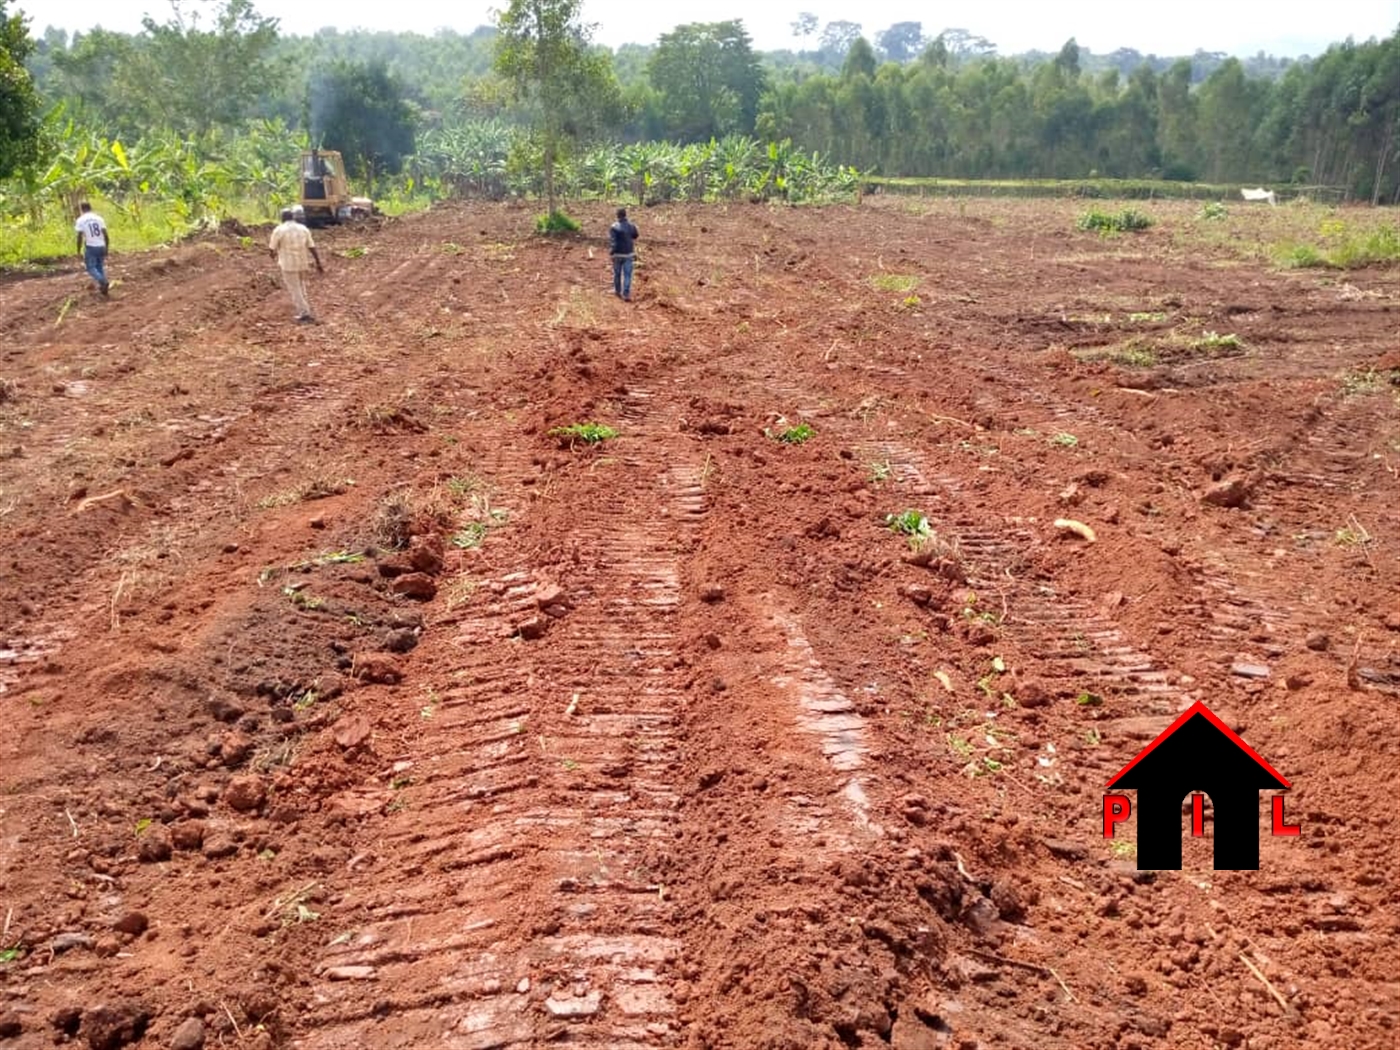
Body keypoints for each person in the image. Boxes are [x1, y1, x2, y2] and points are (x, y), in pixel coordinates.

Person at [268, 207, 323, 323]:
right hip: (302, 262)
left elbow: (271, 249)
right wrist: (318, 262)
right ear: (293, 217)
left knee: (295, 289)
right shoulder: (303, 229)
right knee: (302, 286)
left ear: (282, 218)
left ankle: (305, 314)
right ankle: (305, 309)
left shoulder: (279, 230)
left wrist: (272, 255)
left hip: (288, 264)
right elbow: (312, 247)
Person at [74, 202, 110, 296]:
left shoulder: (81, 220)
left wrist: (78, 250)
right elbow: (105, 234)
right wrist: (106, 247)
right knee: (99, 267)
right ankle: (103, 288)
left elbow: (79, 237)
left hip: (91, 247)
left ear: (81, 209)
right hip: (101, 245)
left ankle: (103, 281)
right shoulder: (99, 218)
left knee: (91, 268)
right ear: (91, 208)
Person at [608, 207, 639, 301]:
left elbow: (613, 241)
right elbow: (635, 235)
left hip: (617, 253)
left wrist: (612, 252)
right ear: (625, 215)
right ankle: (626, 294)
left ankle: (617, 291)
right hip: (628, 253)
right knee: (627, 274)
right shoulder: (631, 226)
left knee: (617, 273)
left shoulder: (613, 227)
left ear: (617, 215)